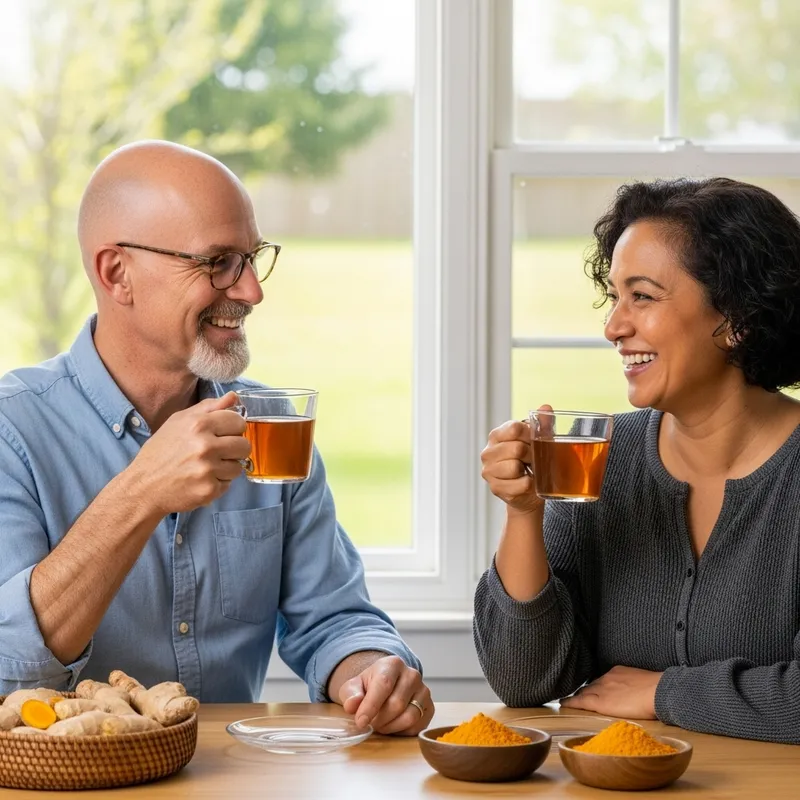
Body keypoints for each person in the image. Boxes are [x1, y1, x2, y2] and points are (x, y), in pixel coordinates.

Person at [0, 140, 433, 736]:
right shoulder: (13, 434)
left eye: (253, 259)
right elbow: (9, 674)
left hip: (232, 779)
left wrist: (368, 671)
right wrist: (142, 491)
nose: (251, 290)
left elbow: (334, 619)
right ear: (116, 273)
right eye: (218, 262)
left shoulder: (273, 427)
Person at [475, 177, 800, 744]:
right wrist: (524, 512)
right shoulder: (605, 458)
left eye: (643, 296)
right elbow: (523, 679)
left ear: (738, 317)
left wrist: (662, 692)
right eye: (614, 297)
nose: (613, 327)